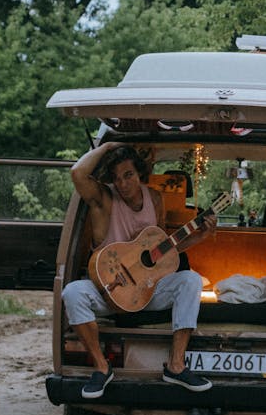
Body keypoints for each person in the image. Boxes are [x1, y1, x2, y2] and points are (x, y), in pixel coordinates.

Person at [62, 141, 216, 399]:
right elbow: (77, 172)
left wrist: (201, 236)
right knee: (72, 293)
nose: (122, 184)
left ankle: (176, 366)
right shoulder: (104, 198)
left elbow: (160, 250)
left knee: (190, 280)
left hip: (146, 290)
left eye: (128, 175)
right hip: (108, 292)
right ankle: (101, 368)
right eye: (116, 178)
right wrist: (107, 145)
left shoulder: (154, 199)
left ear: (140, 174)